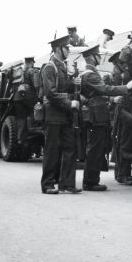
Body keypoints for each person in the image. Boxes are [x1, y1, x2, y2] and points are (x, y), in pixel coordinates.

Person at [76, 44, 132, 191]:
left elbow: (100, 94)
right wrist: (127, 87)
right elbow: (105, 89)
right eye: (98, 55)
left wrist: (111, 100)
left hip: (98, 115)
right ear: (92, 57)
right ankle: (90, 182)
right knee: (94, 149)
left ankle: (92, 180)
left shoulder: (89, 73)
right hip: (96, 116)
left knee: (96, 148)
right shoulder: (90, 74)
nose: (100, 58)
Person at [40, 35, 82, 194]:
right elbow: (50, 93)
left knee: (70, 148)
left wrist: (73, 84)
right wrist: (69, 103)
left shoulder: (62, 66)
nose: (69, 51)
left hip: (64, 115)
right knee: (52, 150)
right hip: (53, 115)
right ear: (58, 49)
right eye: (67, 48)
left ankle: (67, 184)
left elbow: (63, 87)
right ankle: (48, 184)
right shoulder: (49, 67)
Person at [110, 51, 132, 185]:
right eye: (122, 63)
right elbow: (108, 91)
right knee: (123, 142)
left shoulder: (126, 73)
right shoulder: (114, 76)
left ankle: (126, 173)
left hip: (127, 107)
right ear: (117, 63)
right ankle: (121, 175)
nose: (125, 65)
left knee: (128, 141)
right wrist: (113, 99)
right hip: (119, 110)